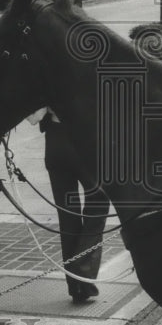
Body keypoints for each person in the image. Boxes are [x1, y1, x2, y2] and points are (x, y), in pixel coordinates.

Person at [29, 108, 109, 302]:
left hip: (55, 141)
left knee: (67, 215)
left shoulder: (43, 76)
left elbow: (34, 117)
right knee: (98, 203)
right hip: (86, 139)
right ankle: (83, 271)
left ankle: (75, 286)